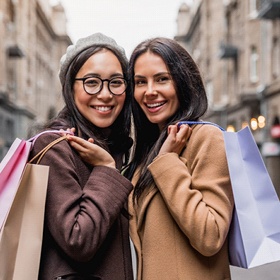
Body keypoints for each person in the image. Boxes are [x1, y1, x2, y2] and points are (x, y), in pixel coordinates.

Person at [124, 37, 234, 280]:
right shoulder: (148, 151)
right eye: (141, 82)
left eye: (162, 79)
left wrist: (168, 162)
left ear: (183, 82)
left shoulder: (207, 139)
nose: (150, 91)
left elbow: (211, 236)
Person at [29, 33, 134, 280]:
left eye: (115, 82)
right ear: (70, 87)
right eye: (91, 82)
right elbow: (78, 240)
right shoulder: (55, 146)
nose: (105, 94)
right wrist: (107, 169)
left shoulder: (116, 148)